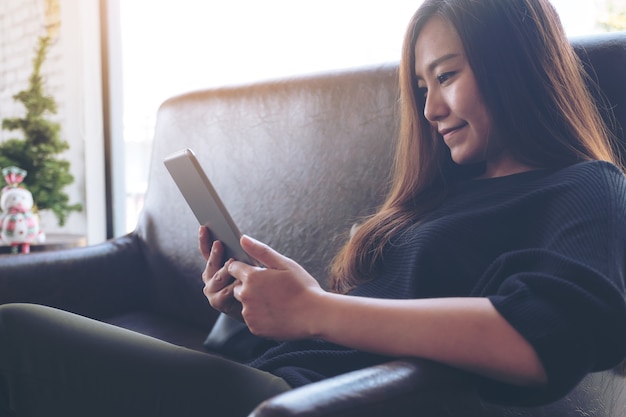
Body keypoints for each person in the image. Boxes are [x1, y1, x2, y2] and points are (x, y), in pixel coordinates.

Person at [1, 0, 626, 416]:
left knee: (16, 334)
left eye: (447, 75)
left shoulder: (586, 188)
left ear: (517, 64)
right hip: (268, 377)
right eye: (421, 86)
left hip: (305, 401)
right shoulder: (442, 197)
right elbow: (341, 324)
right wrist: (252, 310)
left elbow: (547, 339)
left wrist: (315, 310)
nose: (431, 108)